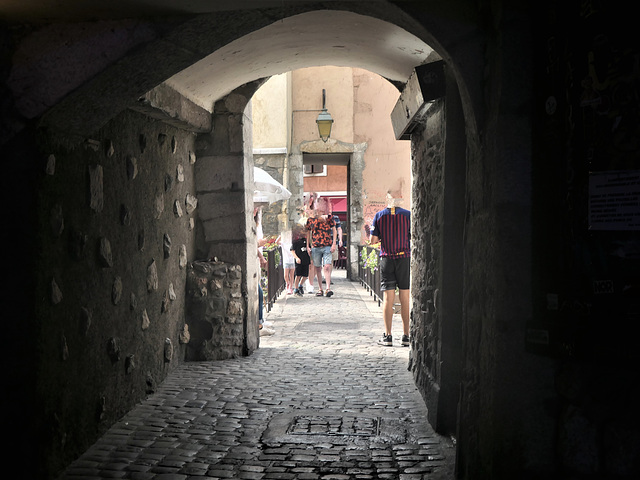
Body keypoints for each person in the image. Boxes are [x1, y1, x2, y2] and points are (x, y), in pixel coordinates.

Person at [370, 193, 411, 347]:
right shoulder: (408, 215)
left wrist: (384, 237)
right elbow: (412, 235)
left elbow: (373, 240)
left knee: (388, 298)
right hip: (404, 258)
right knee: (405, 297)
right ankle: (406, 335)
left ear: (387, 199)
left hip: (387, 258)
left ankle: (388, 336)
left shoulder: (379, 216)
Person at [306, 197, 337, 297]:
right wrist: (308, 246)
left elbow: (334, 230)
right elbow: (308, 232)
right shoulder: (310, 220)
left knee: (327, 266)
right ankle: (320, 289)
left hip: (327, 245)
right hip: (315, 246)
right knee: (318, 268)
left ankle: (328, 288)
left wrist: (334, 244)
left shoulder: (328, 218)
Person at [290, 225, 311, 297]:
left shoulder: (306, 241)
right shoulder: (296, 241)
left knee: (305, 275)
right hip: (299, 260)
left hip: (306, 259)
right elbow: (292, 250)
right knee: (298, 275)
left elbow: (309, 249)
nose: (304, 232)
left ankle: (300, 285)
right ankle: (296, 288)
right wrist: (296, 258)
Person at [280, 229, 295, 294]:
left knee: (292, 275)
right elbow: (276, 242)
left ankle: (290, 287)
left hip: (292, 260)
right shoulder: (283, 243)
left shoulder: (292, 243)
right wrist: (282, 235)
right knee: (286, 275)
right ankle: (288, 283)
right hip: (286, 260)